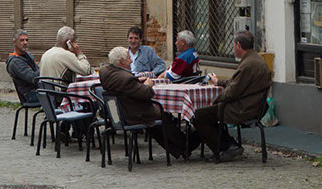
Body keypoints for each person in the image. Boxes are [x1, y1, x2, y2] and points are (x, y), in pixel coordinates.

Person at [99, 46, 200, 159]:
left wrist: (136, 82)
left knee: (159, 117)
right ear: (121, 61)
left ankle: (180, 148)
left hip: (119, 113)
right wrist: (148, 85)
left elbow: (125, 87)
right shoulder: (125, 78)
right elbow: (147, 93)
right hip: (132, 114)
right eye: (128, 58)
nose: (131, 61)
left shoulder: (106, 72)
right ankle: (185, 145)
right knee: (162, 114)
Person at [192, 31, 272, 162]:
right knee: (206, 113)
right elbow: (237, 82)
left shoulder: (248, 64)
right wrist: (218, 82)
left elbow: (232, 92)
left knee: (198, 115)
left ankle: (226, 147)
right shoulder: (254, 59)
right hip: (251, 105)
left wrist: (215, 101)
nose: (233, 48)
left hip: (243, 108)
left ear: (238, 45)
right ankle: (227, 145)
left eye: (234, 45)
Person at [6, 29, 40, 103]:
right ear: (14, 42)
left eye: (27, 40)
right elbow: (33, 78)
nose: (25, 43)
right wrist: (46, 67)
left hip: (39, 89)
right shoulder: (15, 62)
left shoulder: (28, 55)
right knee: (58, 96)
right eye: (22, 40)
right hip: (30, 95)